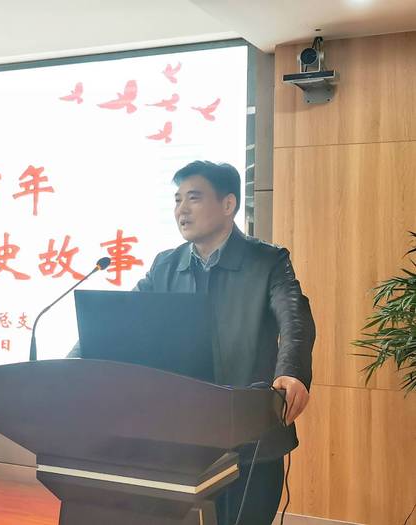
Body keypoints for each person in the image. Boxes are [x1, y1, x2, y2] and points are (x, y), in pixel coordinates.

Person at [69, 160, 315, 525]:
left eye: (194, 198)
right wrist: (72, 363)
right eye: (177, 199)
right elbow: (121, 322)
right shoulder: (166, 265)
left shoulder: (268, 261)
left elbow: (294, 316)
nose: (181, 209)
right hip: (181, 438)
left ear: (228, 204)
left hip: (250, 437)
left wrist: (292, 371)